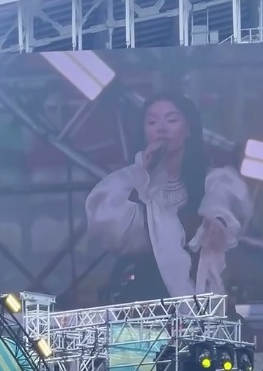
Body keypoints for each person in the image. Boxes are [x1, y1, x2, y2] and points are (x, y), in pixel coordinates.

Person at [85, 92, 252, 303]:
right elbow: (113, 232)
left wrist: (217, 223)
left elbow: (223, 204)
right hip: (142, 299)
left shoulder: (213, 181)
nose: (161, 128)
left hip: (198, 297)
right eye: (152, 122)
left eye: (171, 120)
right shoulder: (127, 182)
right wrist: (141, 175)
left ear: (188, 129)